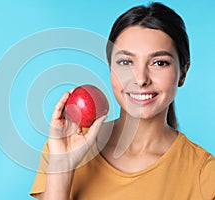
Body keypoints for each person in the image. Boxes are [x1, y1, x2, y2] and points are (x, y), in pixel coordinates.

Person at [30, 2, 215, 200]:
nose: (141, 79)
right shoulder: (65, 145)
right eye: (126, 62)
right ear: (111, 69)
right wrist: (62, 165)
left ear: (182, 73)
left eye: (159, 63)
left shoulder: (203, 173)